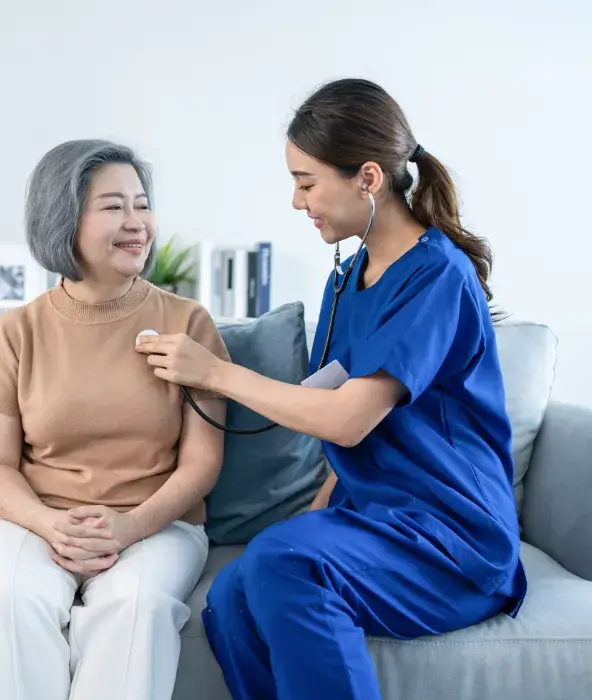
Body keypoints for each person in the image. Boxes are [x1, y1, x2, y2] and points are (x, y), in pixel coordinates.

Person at [135, 78, 527, 700]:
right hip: (378, 520)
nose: (297, 201)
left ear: (368, 177)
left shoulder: (438, 276)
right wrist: (322, 507)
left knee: (284, 564)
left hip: (452, 539)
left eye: (307, 182)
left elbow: (348, 419)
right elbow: (333, 406)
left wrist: (214, 372)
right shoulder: (348, 278)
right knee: (232, 596)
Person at [0, 139, 230, 700]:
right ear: (65, 220)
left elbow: (201, 463)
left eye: (141, 203)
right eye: (113, 206)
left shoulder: (188, 323)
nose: (137, 223)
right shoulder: (17, 331)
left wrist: (131, 526)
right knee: (9, 601)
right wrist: (46, 523)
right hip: (33, 519)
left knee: (137, 607)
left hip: (155, 522)